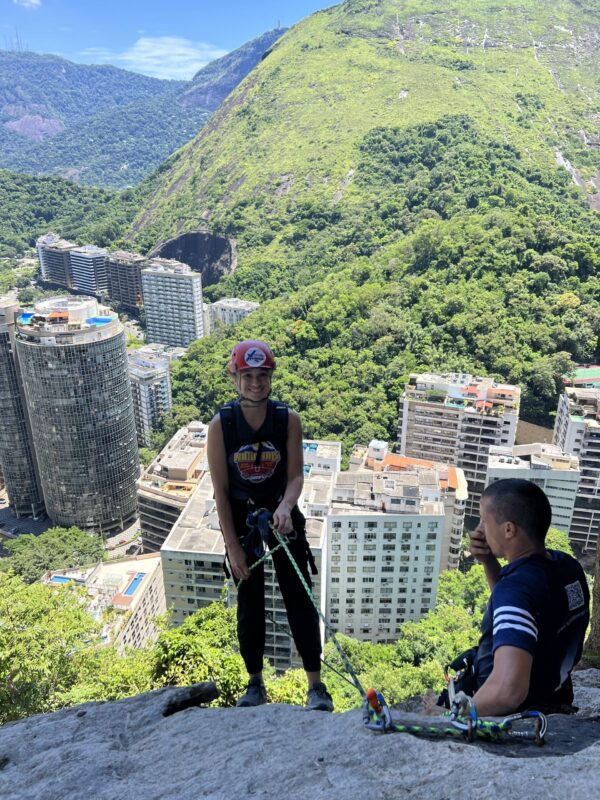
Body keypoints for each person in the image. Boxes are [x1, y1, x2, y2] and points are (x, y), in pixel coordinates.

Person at [207, 339, 333, 711]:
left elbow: (295, 477)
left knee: (300, 596)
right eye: (248, 376)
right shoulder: (222, 426)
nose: (256, 383)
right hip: (244, 522)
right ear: (236, 378)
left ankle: (315, 685)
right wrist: (232, 547)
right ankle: (255, 683)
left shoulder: (287, 420)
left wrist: (286, 506)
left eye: (263, 375)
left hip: (282, 516)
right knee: (250, 601)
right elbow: (221, 491)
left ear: (271, 377)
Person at [441, 478, 589, 717]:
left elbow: (507, 692)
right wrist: (489, 561)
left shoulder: (516, 590)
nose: (479, 530)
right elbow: (527, 609)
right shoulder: (567, 567)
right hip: (553, 692)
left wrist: (447, 718)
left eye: (484, 521)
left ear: (508, 529)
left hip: (508, 712)